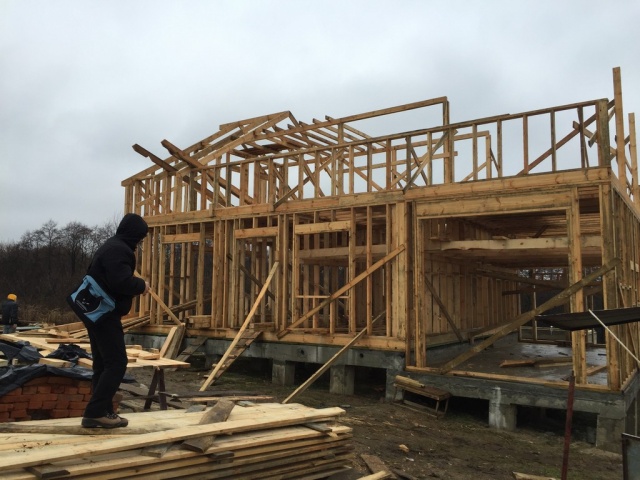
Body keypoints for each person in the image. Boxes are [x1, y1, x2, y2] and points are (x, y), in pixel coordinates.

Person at [69, 213, 150, 429]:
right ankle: (95, 413)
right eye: (140, 237)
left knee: (103, 364)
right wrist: (141, 285)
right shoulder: (119, 250)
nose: (140, 242)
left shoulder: (111, 245)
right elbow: (120, 281)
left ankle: (103, 411)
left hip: (95, 312)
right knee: (116, 363)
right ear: (134, 234)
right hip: (104, 313)